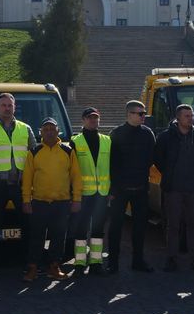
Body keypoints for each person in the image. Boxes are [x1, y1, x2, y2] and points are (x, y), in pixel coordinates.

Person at [0, 92, 38, 278]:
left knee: (28, 225)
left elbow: (35, 156)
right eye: (3, 105)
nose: (6, 108)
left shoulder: (25, 128)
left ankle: (31, 264)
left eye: (9, 105)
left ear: (14, 106)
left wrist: (34, 184)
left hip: (21, 185)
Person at [21, 118, 82, 282]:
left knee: (58, 237)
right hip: (39, 203)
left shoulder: (68, 151)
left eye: (52, 128)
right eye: (45, 129)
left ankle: (54, 267)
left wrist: (77, 199)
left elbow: (76, 177)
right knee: (36, 237)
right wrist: (26, 200)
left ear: (58, 131)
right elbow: (27, 179)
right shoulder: (34, 152)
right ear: (40, 132)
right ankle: (33, 267)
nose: (49, 131)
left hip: (61, 203)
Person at [153, 104, 194, 272]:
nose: (191, 119)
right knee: (173, 225)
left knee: (193, 224)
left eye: (192, 116)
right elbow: (158, 158)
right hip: (173, 188)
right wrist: (169, 173)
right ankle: (171, 258)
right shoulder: (166, 136)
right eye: (187, 116)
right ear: (178, 118)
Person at [107, 100, 157, 273]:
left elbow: (151, 157)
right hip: (120, 190)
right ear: (129, 114)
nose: (144, 116)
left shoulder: (148, 134)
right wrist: (112, 189)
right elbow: (110, 163)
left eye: (144, 113)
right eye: (140, 113)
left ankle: (138, 261)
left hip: (140, 188)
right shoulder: (116, 134)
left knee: (140, 227)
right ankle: (112, 263)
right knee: (115, 227)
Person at [69, 107, 110, 276]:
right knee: (80, 229)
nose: (93, 120)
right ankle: (79, 263)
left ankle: (95, 262)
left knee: (98, 229)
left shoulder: (108, 140)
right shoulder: (75, 141)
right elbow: (70, 169)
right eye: (90, 117)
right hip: (82, 194)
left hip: (102, 193)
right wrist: (72, 193)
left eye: (96, 117)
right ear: (83, 120)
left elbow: (112, 166)